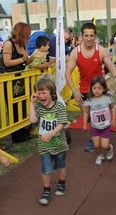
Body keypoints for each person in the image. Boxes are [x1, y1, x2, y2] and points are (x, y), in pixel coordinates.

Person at [65, 22, 116, 152]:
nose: (89, 38)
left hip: (100, 89)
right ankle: (95, 134)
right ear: (82, 36)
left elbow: (110, 65)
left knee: (101, 113)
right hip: (84, 89)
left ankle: (100, 136)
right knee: (88, 116)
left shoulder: (100, 50)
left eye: (91, 35)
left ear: (95, 36)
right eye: (86, 35)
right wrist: (74, 91)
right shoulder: (76, 52)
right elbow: (67, 72)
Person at [29, 75, 69, 205]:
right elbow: (33, 120)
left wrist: (51, 134)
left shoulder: (59, 107)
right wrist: (31, 103)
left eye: (43, 92)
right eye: (38, 92)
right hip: (44, 145)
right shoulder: (39, 107)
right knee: (46, 168)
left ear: (51, 93)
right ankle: (46, 189)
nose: (40, 96)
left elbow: (62, 123)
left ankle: (62, 182)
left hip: (59, 144)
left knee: (60, 164)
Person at [2, 22, 42, 144]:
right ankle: (17, 135)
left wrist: (34, 57)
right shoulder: (9, 44)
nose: (29, 37)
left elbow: (25, 62)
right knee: (13, 107)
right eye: (27, 34)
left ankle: (23, 129)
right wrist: (23, 59)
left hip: (20, 79)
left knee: (22, 105)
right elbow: (7, 62)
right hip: (9, 79)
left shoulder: (23, 45)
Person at [82, 76, 116, 166]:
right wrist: (84, 123)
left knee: (104, 145)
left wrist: (113, 119)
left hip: (105, 126)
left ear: (104, 89)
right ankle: (99, 155)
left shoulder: (107, 99)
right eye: (94, 88)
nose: (97, 90)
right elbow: (86, 112)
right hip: (94, 127)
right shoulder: (89, 100)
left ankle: (110, 149)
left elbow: (112, 107)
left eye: (100, 88)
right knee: (96, 146)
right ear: (91, 88)